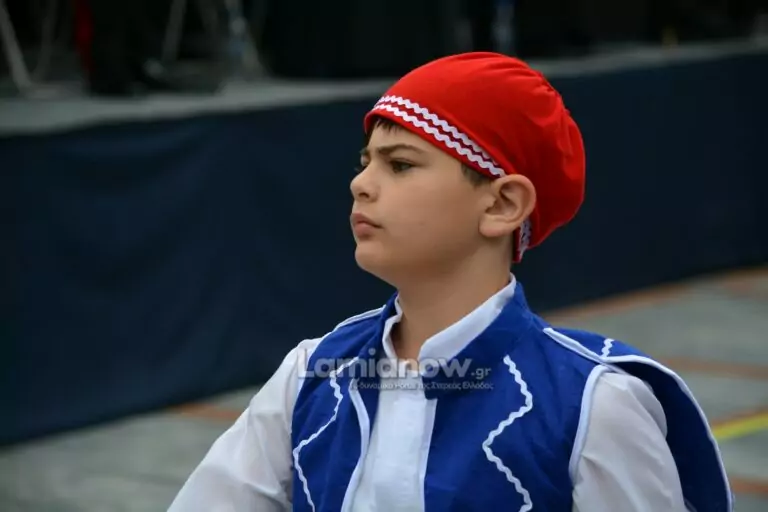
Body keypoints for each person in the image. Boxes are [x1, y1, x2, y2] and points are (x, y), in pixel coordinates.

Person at [168, 52, 732, 511]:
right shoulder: (312, 374)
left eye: (400, 164)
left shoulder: (592, 405)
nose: (361, 184)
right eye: (365, 162)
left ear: (502, 205)